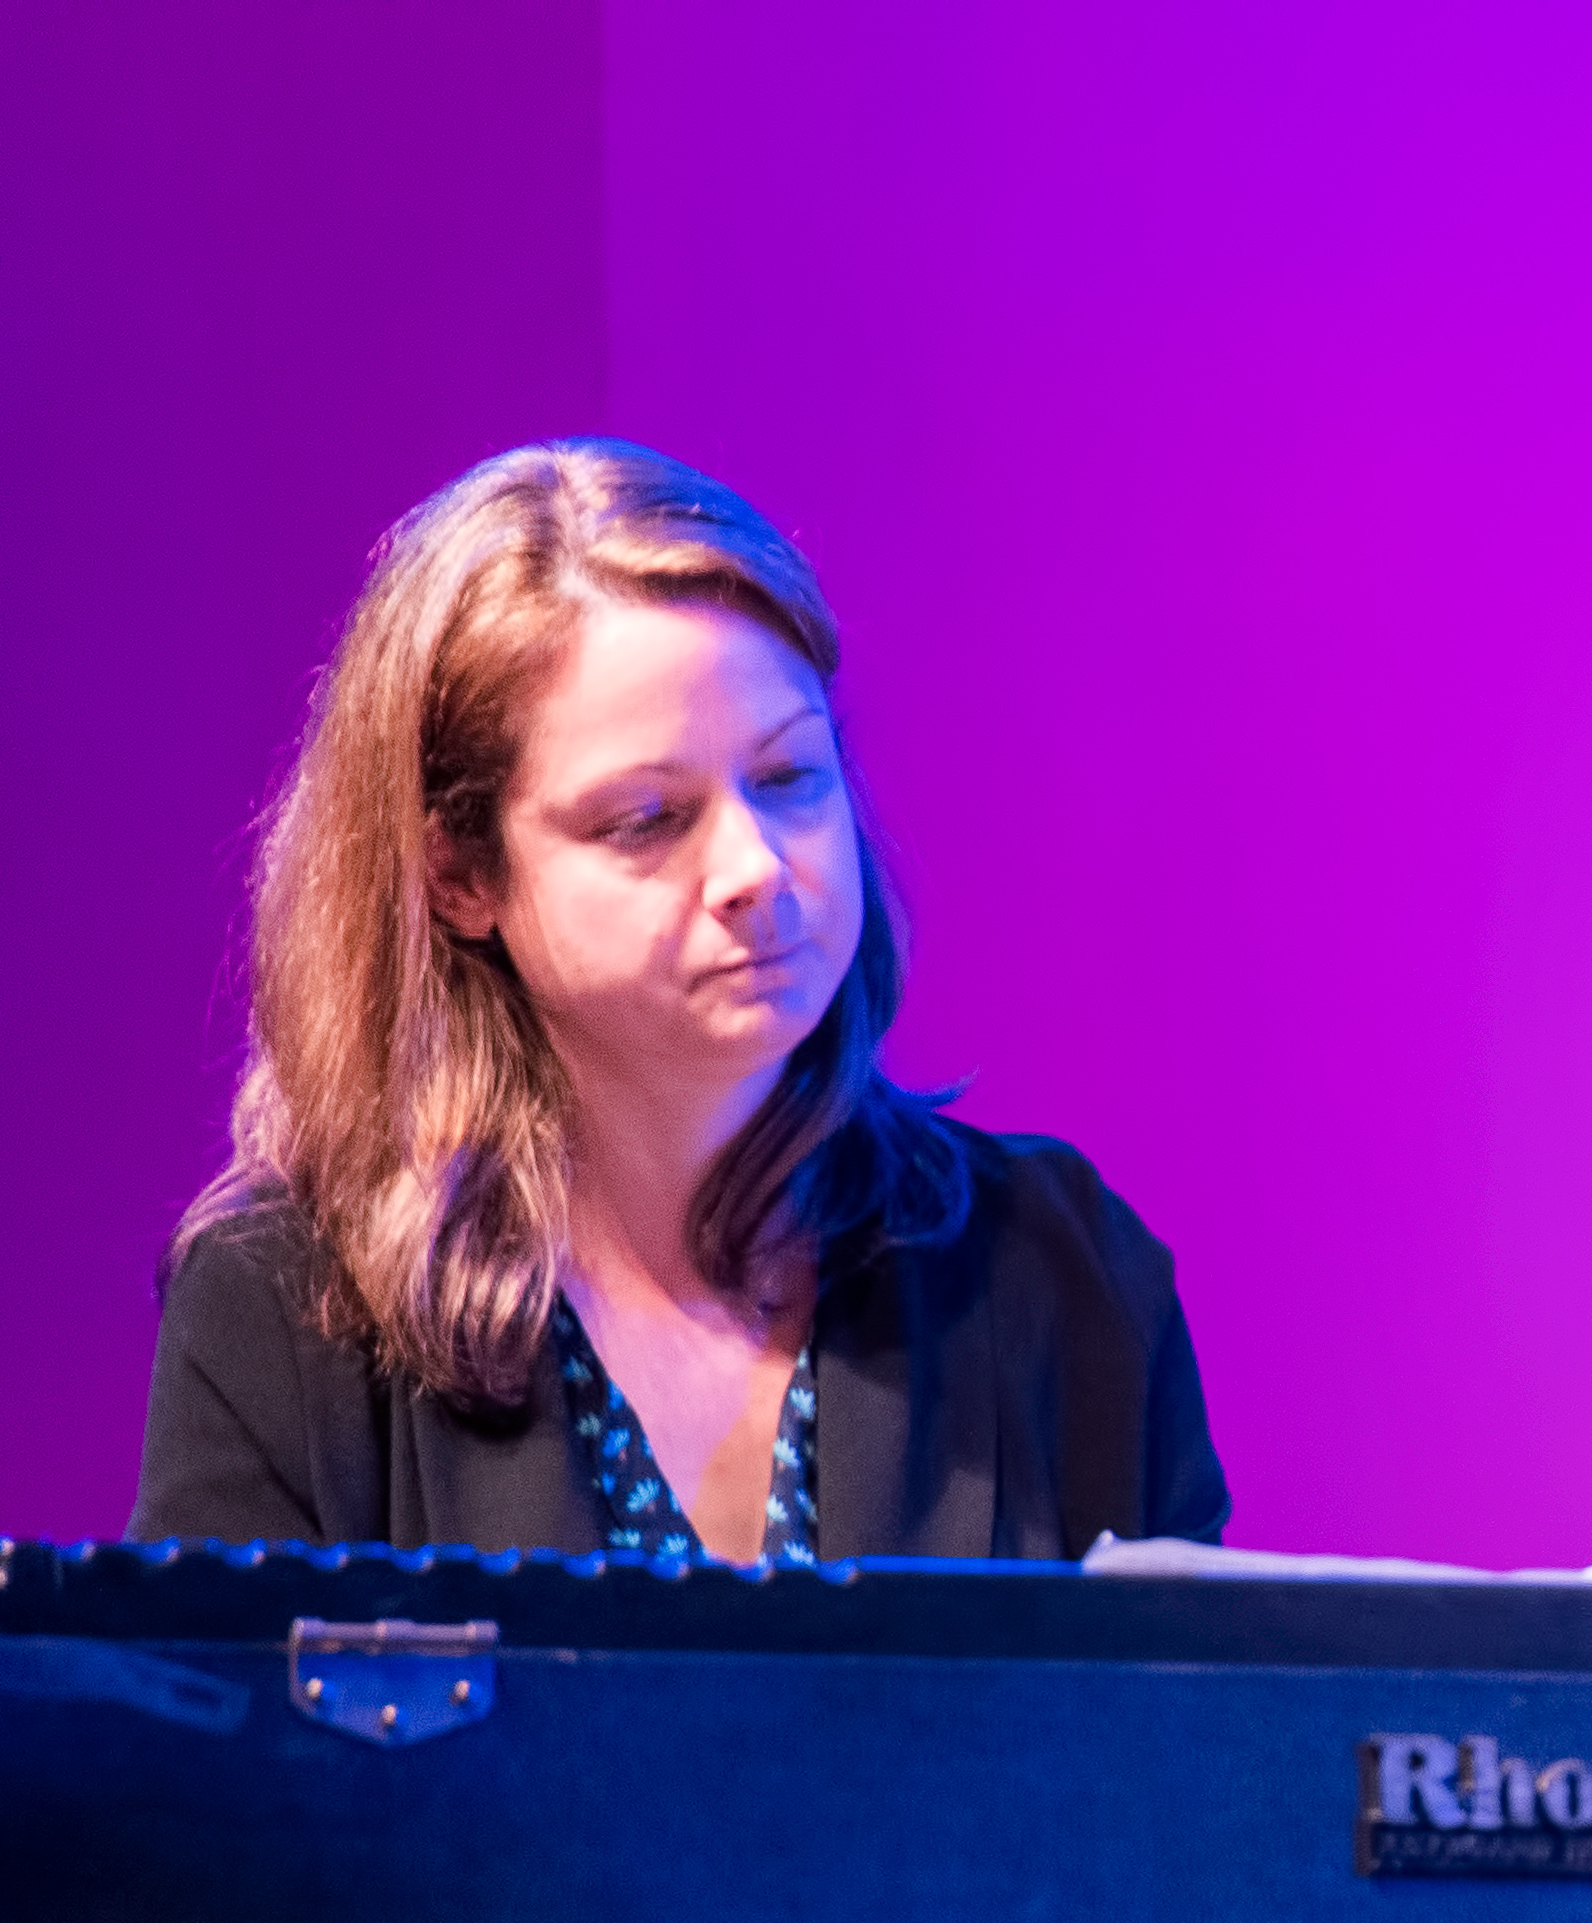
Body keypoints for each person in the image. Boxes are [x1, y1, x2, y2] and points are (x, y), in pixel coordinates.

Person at [134, 441, 1225, 1561]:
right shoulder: (286, 1309)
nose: (754, 866)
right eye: (647, 819)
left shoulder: (1065, 1271)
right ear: (460, 877)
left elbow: (1205, 1732)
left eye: (790, 777)